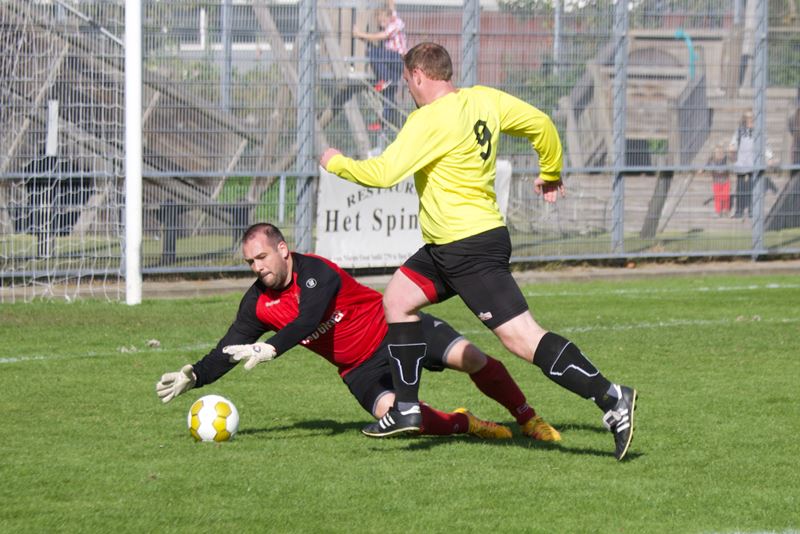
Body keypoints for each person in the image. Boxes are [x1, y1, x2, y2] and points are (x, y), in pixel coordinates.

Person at [320, 42, 638, 461]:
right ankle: (407, 408)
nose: (408, 88)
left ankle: (612, 397)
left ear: (418, 75)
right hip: (450, 246)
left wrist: (336, 162)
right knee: (397, 299)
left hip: (467, 247)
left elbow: (383, 173)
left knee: (523, 338)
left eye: (407, 80)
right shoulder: (484, 99)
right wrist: (550, 171)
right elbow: (541, 123)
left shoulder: (428, 119)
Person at [155, 222, 562, 442]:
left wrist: (272, 349)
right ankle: (466, 423)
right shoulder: (257, 302)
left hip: (395, 332)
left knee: (470, 357)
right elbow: (229, 348)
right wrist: (196, 375)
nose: (257, 267)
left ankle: (528, 418)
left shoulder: (317, 272)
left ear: (282, 250)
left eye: (262, 257)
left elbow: (307, 320)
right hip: (357, 369)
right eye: (250, 262)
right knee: (396, 415)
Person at [352, 0, 407, 131]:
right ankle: (384, 122)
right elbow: (391, 4)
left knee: (373, 52)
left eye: (383, 21)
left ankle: (385, 79)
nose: (382, 24)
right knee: (388, 93)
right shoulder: (391, 17)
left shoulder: (395, 23)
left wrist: (360, 34)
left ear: (389, 17)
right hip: (391, 62)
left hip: (397, 58)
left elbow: (382, 36)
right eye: (380, 22)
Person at [706, 143, 731, 217]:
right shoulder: (711, 160)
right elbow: (705, 166)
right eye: (717, 152)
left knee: (726, 196)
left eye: (721, 151)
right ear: (714, 153)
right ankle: (718, 211)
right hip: (716, 181)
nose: (719, 153)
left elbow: (731, 164)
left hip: (725, 180)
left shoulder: (726, 158)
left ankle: (726, 210)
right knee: (717, 197)